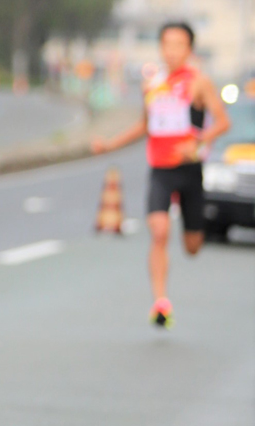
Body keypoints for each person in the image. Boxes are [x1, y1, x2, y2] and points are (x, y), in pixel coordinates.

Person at [92, 22, 229, 327]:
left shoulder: (199, 82)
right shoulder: (152, 84)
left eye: (179, 44)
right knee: (159, 231)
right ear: (161, 48)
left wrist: (198, 142)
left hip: (191, 171)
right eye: (167, 44)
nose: (172, 51)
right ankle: (160, 302)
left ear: (189, 49)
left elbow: (222, 123)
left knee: (192, 247)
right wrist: (110, 144)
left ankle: (193, 232)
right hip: (161, 170)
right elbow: (144, 126)